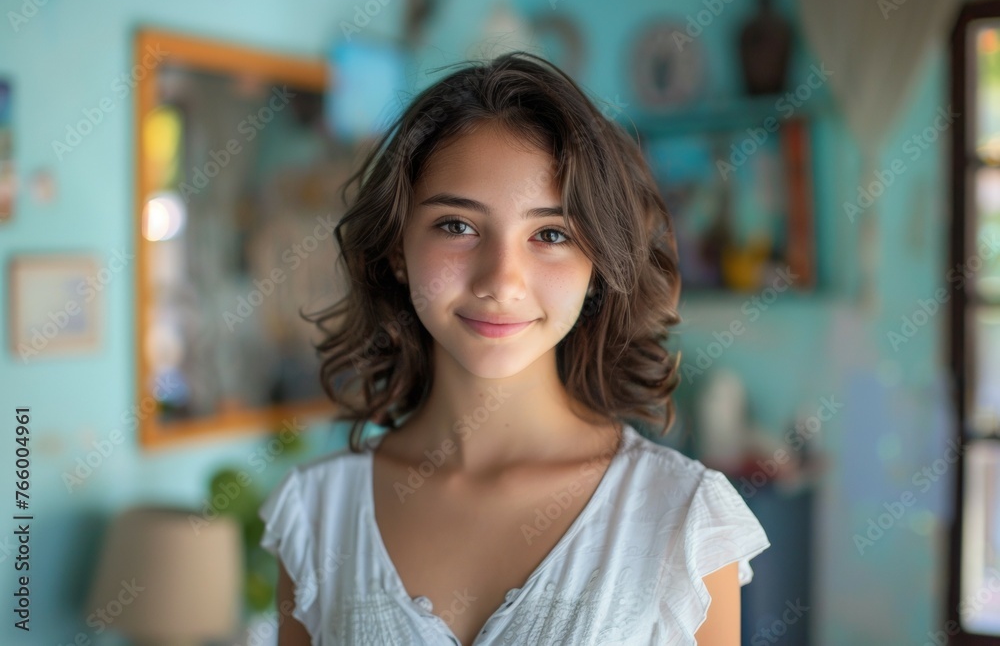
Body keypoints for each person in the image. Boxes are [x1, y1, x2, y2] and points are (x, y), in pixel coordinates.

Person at [258, 51, 770, 646]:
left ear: (597, 265)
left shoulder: (683, 522)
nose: (501, 281)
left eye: (550, 235)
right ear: (398, 249)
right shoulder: (316, 517)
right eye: (457, 225)